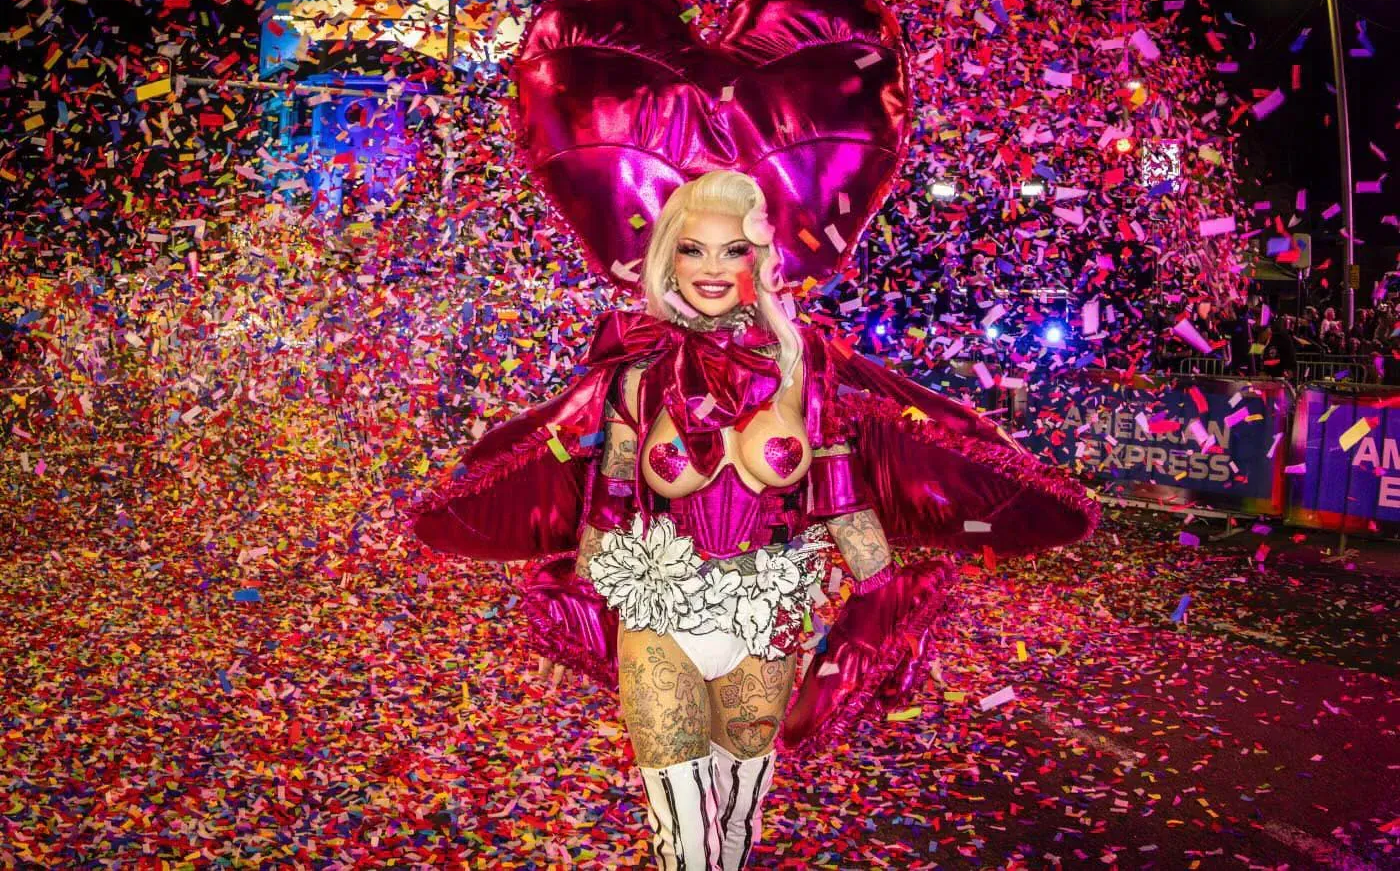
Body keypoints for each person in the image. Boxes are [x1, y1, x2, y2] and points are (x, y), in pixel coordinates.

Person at [407, 171, 1099, 868]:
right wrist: (575, 609)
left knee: (736, 823)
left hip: (765, 618)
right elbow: (608, 507)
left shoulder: (805, 366)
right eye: (693, 249)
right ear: (668, 258)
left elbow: (844, 502)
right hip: (659, 615)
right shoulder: (638, 372)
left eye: (733, 249)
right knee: (686, 841)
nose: (711, 268)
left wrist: (897, 613)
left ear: (761, 259)